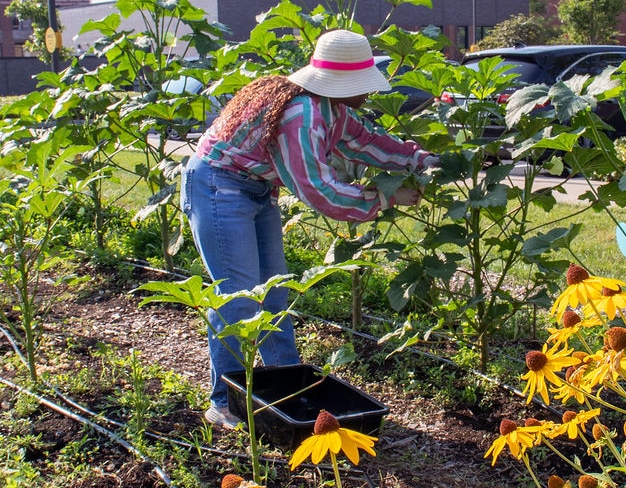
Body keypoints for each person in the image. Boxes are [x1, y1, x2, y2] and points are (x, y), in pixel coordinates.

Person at [181, 29, 438, 428]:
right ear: (340, 84)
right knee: (238, 299)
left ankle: (285, 390)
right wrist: (385, 197)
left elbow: (368, 142)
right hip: (219, 186)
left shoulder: (332, 110)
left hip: (255, 188)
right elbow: (321, 194)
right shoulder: (301, 116)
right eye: (362, 85)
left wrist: (421, 160)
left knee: (274, 293)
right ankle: (224, 403)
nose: (368, 94)